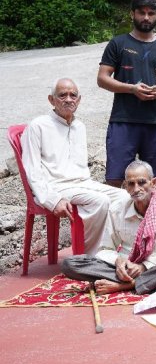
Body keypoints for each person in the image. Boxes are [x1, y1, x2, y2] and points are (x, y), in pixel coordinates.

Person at [21, 78, 127, 255]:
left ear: (79, 100)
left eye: (73, 95)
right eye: (62, 95)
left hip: (82, 183)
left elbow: (79, 169)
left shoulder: (80, 127)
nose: (68, 99)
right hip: (54, 187)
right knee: (100, 201)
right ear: (51, 99)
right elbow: (31, 171)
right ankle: (90, 257)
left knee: (125, 197)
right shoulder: (38, 126)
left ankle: (115, 250)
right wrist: (52, 200)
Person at [61, 160, 156, 294]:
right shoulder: (117, 209)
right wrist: (119, 261)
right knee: (70, 264)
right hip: (127, 267)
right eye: (131, 184)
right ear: (125, 186)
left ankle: (129, 285)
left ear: (153, 183)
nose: (136, 189)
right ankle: (145, 281)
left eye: (142, 182)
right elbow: (105, 249)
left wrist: (144, 266)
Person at [97, 0, 156, 187]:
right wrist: (132, 88)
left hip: (155, 120)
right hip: (123, 119)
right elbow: (102, 78)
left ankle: (151, 217)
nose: (146, 17)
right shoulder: (118, 44)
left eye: (151, 13)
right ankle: (118, 216)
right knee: (116, 178)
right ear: (132, 14)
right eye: (141, 12)